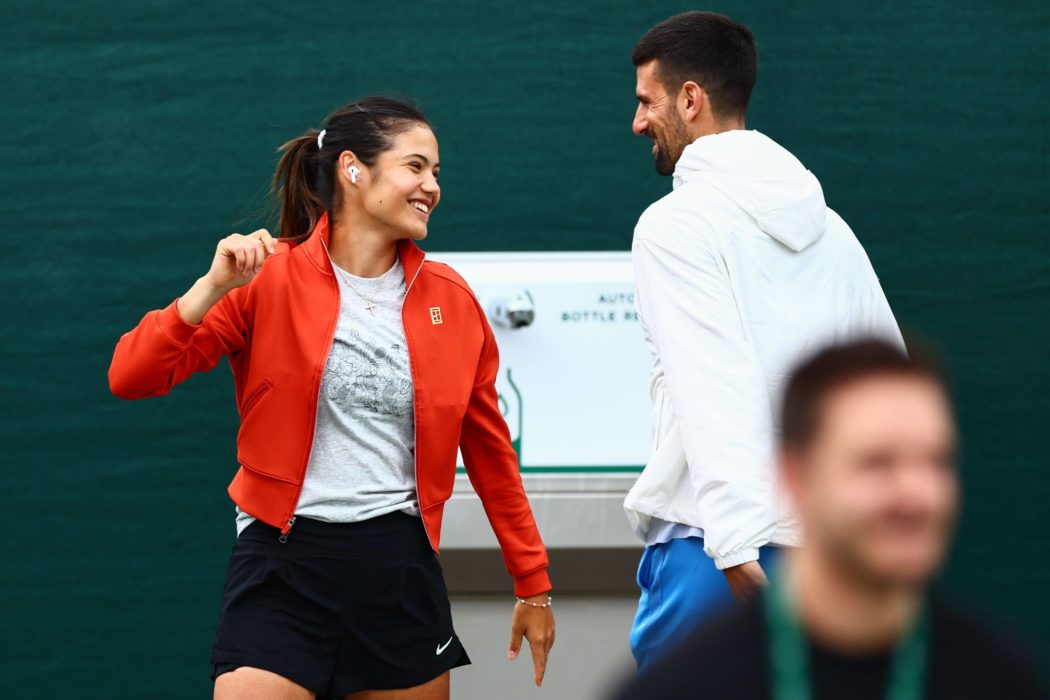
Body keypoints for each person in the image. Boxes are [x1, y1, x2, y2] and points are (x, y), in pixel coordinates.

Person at [108, 96, 555, 700]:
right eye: (416, 167)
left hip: (399, 571)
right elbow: (131, 376)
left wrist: (532, 582)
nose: (431, 186)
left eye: (437, 173)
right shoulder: (264, 280)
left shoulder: (452, 301)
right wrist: (210, 288)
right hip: (282, 566)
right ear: (352, 169)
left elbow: (491, 455)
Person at [623, 11, 905, 672]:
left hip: (716, 553)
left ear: (690, 99)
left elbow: (711, 381)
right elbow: (886, 383)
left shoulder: (673, 227)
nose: (637, 122)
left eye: (645, 101)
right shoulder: (833, 231)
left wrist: (735, 549)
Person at [614, 339, 1047, 699]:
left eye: (936, 461)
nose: (916, 494)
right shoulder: (687, 685)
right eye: (877, 463)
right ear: (795, 477)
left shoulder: (1001, 679)